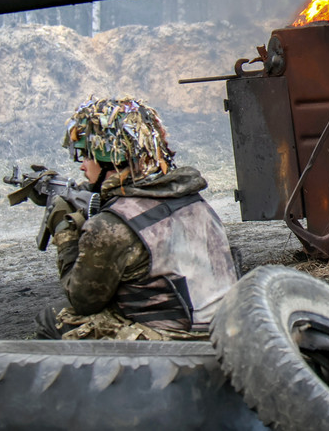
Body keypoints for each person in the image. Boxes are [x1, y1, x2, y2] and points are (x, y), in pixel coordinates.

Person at [36, 96, 238, 340]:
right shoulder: (194, 201)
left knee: (53, 321)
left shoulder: (111, 226)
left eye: (86, 156)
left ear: (110, 158)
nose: (82, 166)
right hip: (226, 332)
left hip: (174, 345)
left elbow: (82, 300)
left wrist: (64, 231)